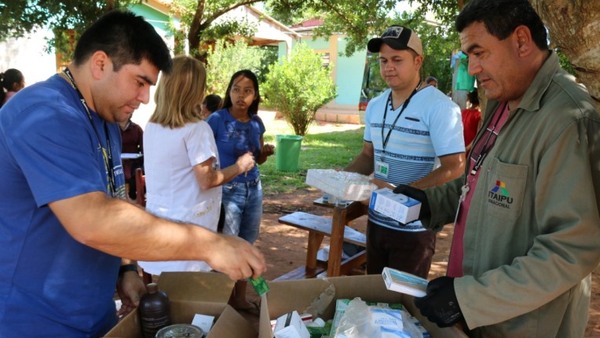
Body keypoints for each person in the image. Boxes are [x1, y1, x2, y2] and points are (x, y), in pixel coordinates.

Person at [0, 10, 266, 337]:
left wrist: (125, 267)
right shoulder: (44, 113)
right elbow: (93, 219)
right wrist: (209, 244)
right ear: (100, 64)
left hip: (91, 314)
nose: (144, 98)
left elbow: (116, 199)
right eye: (140, 82)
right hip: (32, 321)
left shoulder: (106, 120)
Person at [394, 0, 600, 336]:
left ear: (521, 41)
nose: (472, 68)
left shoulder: (568, 119)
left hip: (523, 325)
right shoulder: (504, 101)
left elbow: (570, 250)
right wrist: (430, 201)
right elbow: (484, 180)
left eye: (479, 53)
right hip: (481, 316)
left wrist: (469, 298)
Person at [344, 25, 465, 278]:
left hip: (415, 228)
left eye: (397, 60)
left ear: (418, 61)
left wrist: (402, 194)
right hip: (377, 221)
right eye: (383, 60)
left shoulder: (441, 107)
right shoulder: (376, 106)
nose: (388, 67)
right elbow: (368, 156)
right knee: (375, 294)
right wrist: (340, 178)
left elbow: (455, 167)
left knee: (403, 306)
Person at [139, 56, 255, 275]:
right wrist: (240, 166)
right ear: (195, 91)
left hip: (159, 226)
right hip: (188, 233)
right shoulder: (197, 130)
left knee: (164, 297)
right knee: (189, 297)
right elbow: (207, 180)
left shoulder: (153, 126)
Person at [206, 69, 275, 310]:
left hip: (253, 189)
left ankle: (239, 299)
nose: (241, 96)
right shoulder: (216, 120)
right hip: (228, 191)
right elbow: (205, 157)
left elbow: (256, 159)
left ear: (255, 96)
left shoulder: (257, 123)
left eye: (247, 91)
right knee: (228, 247)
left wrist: (264, 153)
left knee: (247, 244)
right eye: (236, 89)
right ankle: (222, 303)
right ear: (229, 91)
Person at [119, 117, 144, 199]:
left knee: (135, 173)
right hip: (118, 162)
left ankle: (134, 197)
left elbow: (144, 148)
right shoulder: (112, 129)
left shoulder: (136, 129)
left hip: (134, 162)